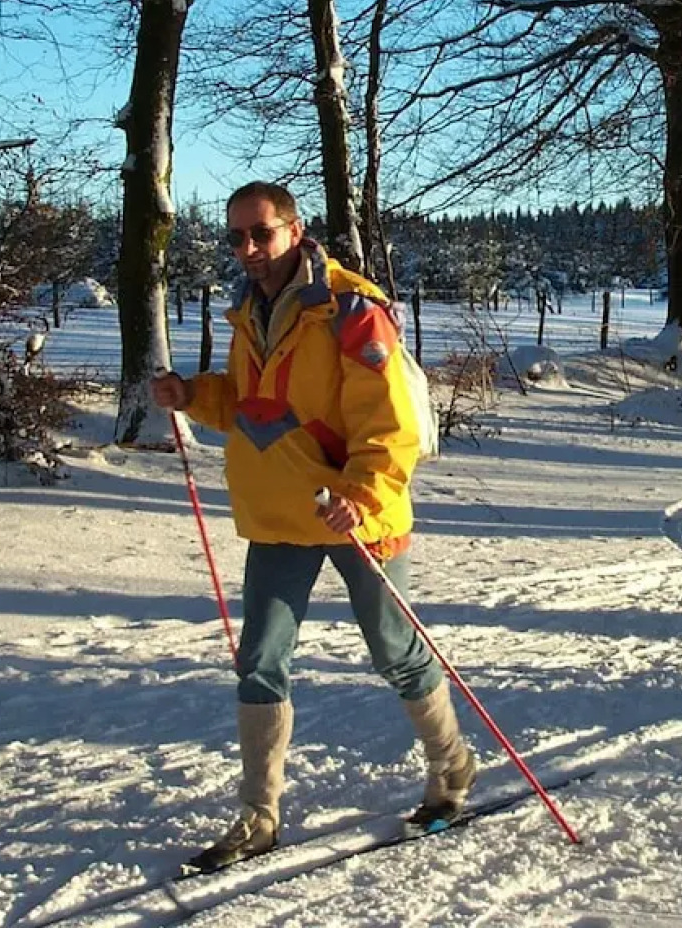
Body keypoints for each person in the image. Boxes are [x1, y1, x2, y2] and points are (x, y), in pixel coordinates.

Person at [149, 181, 475, 871]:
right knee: (260, 659)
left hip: (355, 510)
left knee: (395, 649)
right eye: (235, 237)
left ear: (294, 232)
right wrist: (193, 394)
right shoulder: (249, 308)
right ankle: (258, 814)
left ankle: (452, 766)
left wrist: (360, 493)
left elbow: (388, 423)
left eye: (260, 233)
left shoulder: (349, 308)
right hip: (280, 511)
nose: (247, 249)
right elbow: (253, 403)